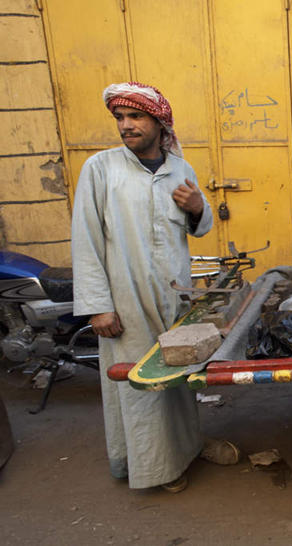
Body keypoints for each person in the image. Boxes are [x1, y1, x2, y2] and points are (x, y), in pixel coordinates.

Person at [71, 82, 238, 493]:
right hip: (125, 299)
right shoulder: (101, 168)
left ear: (160, 123)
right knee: (140, 385)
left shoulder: (180, 169)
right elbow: (86, 239)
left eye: (135, 117)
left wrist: (198, 209)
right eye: (120, 119)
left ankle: (188, 445)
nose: (126, 126)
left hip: (173, 295)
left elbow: (196, 230)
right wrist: (98, 306)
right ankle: (158, 468)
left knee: (179, 377)